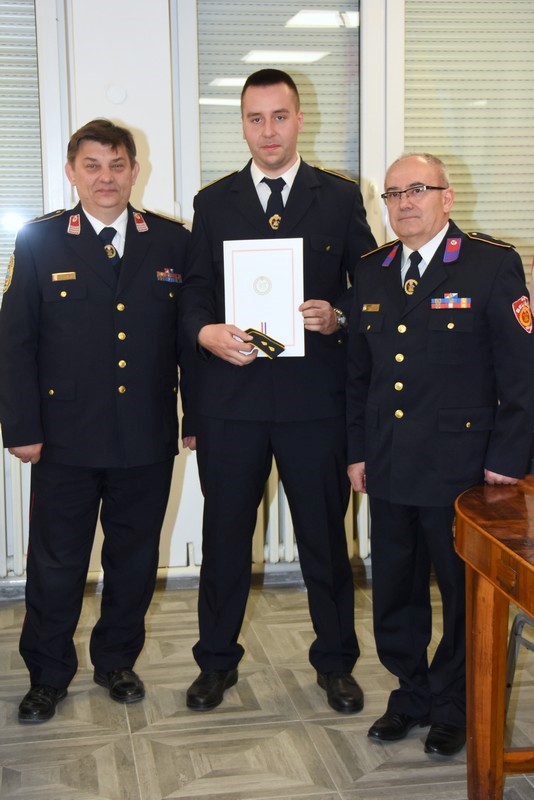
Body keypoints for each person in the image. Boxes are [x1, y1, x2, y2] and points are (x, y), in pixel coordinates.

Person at [180, 68, 376, 714]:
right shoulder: (214, 202)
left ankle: (336, 664)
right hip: (231, 405)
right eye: (255, 118)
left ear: (299, 120)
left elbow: (370, 287)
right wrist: (205, 332)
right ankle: (215, 663)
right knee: (225, 540)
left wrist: (338, 315)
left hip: (313, 404)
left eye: (280, 116)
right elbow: (194, 293)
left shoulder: (339, 197)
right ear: (242, 124)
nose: (268, 131)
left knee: (325, 541)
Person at [0, 119, 191, 723]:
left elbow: (189, 338)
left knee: (133, 560)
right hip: (65, 438)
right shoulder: (39, 241)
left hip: (145, 434)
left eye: (116, 165)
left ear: (135, 170)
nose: (105, 177)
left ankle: (116, 661)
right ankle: (47, 674)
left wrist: (195, 416)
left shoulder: (171, 241)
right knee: (56, 564)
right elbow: (15, 342)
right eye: (92, 165)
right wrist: (21, 428)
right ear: (71, 172)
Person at [346, 153, 534, 756]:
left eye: (418, 190)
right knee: (395, 590)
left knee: (462, 596)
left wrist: (508, 458)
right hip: (389, 463)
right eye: (393, 194)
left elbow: (522, 374)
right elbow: (359, 376)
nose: (404, 203)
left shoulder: (491, 264)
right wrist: (357, 451)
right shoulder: (371, 270)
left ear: (446, 198)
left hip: (464, 470)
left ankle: (456, 703)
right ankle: (411, 694)